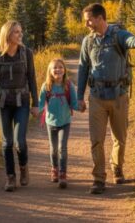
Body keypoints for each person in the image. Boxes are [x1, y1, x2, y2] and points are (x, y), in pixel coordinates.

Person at [77, 3, 135, 194]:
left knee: (119, 138)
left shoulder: (118, 34)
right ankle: (98, 179)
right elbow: (82, 69)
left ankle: (117, 167)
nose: (86, 24)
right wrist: (79, 97)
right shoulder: (87, 42)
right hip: (96, 97)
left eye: (89, 20)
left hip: (119, 96)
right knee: (96, 139)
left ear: (100, 18)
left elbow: (133, 41)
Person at [0, 20, 39, 192]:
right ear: (7, 34)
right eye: (16, 32)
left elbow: (32, 79)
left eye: (20, 31)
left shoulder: (26, 53)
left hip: (22, 102)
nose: (20, 35)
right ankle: (10, 177)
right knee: (7, 142)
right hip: (2, 104)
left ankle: (23, 168)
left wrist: (35, 104)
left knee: (20, 142)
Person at [38, 58, 78, 189]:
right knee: (54, 149)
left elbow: (74, 103)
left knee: (62, 148)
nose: (58, 70)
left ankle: (63, 174)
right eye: (54, 68)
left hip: (65, 121)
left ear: (64, 70)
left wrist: (81, 107)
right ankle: (54, 169)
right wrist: (34, 110)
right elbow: (40, 104)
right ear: (50, 71)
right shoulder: (46, 86)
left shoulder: (68, 85)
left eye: (60, 67)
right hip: (51, 122)